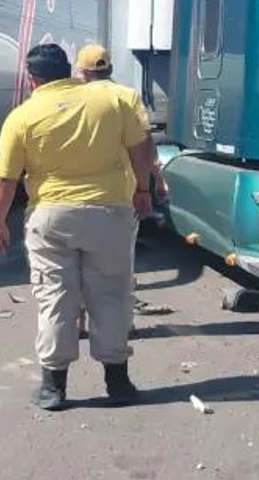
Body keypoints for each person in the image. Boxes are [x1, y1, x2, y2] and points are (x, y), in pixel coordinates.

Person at [0, 43, 156, 411]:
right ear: (69, 70)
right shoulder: (112, 102)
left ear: (33, 79)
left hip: (51, 217)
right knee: (111, 294)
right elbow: (141, 149)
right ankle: (118, 382)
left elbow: (5, 179)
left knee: (55, 299)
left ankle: (53, 387)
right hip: (109, 213)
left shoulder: (23, 115)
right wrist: (143, 189)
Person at [74, 43, 170, 325]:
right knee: (119, 264)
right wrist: (154, 183)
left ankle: (79, 321)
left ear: (82, 71)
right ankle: (122, 325)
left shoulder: (73, 97)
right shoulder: (127, 96)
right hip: (120, 195)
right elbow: (144, 145)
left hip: (77, 195)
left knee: (78, 261)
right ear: (110, 69)